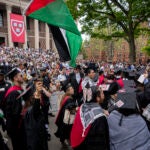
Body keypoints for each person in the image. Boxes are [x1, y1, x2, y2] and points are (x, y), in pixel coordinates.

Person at [19, 80, 48, 150]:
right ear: (31, 98)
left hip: (32, 138)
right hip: (37, 140)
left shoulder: (25, 109)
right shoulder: (32, 110)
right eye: (33, 96)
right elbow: (36, 108)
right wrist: (37, 93)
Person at [4, 68, 24, 150]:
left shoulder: (19, 90)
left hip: (18, 125)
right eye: (21, 75)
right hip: (16, 127)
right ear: (15, 78)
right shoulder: (13, 93)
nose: (23, 77)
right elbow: (16, 113)